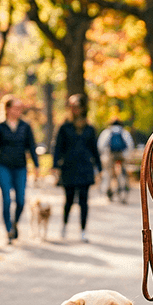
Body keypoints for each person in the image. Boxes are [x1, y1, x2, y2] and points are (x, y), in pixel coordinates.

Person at [0, 95, 40, 243]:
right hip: (3, 166)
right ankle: (8, 229)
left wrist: (36, 165)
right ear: (8, 109)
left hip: (20, 167)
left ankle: (15, 222)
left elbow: (31, 147)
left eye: (20, 108)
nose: (19, 111)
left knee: (21, 200)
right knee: (7, 199)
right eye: (16, 108)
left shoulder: (25, 126)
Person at [52, 94, 99, 242]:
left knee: (84, 201)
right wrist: (55, 166)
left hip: (85, 167)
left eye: (77, 106)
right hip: (69, 167)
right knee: (69, 199)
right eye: (72, 107)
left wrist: (100, 168)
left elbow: (94, 149)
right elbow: (57, 147)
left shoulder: (90, 128)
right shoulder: (64, 127)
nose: (74, 110)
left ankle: (83, 230)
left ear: (83, 108)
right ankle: (64, 226)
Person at [96, 117, 135, 200]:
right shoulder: (124, 132)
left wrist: (103, 155)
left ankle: (109, 189)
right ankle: (124, 186)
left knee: (108, 173)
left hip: (110, 155)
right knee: (123, 171)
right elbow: (130, 145)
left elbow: (100, 145)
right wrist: (128, 155)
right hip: (122, 155)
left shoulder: (107, 132)